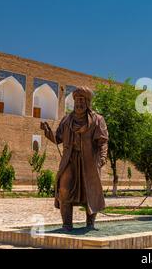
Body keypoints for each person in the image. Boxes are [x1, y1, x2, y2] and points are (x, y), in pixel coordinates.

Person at [40, 86, 109, 231]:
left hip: (89, 161)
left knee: (90, 190)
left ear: (88, 102)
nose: (79, 103)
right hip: (70, 160)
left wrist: (102, 157)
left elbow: (103, 141)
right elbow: (58, 138)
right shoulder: (67, 120)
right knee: (64, 189)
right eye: (77, 100)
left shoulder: (97, 120)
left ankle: (90, 224)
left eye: (82, 100)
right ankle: (66, 224)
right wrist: (47, 132)